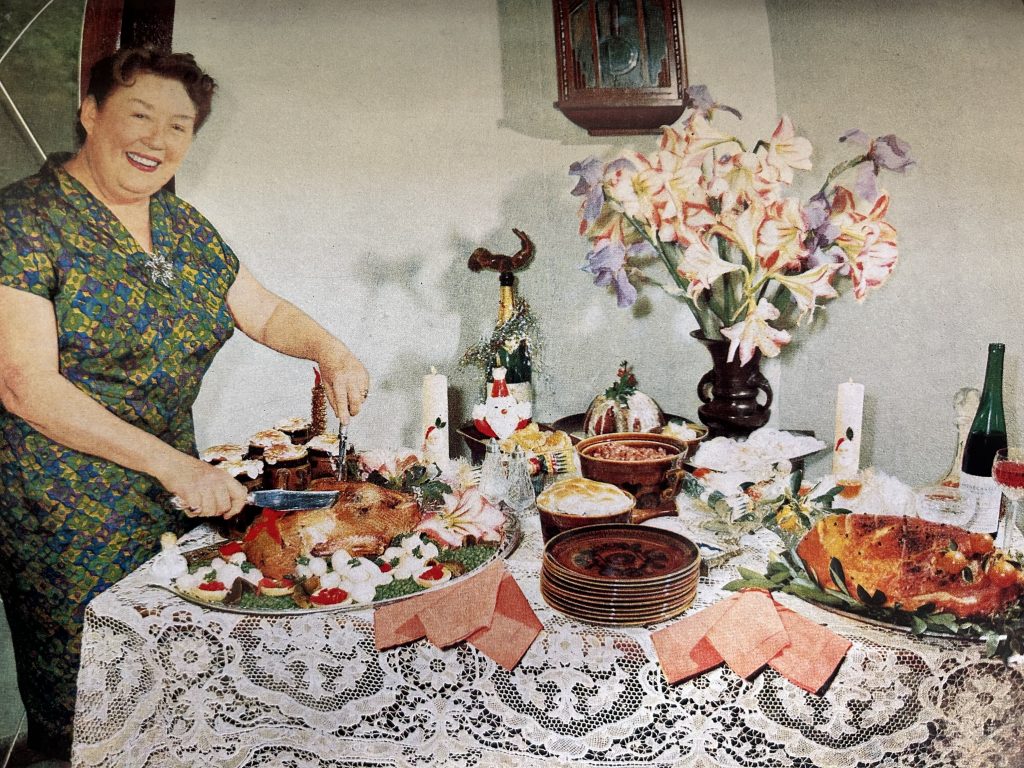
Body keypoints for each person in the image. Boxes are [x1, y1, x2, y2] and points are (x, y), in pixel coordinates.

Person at [0, 47, 369, 762]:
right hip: (61, 508)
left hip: (167, 492)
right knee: (93, 706)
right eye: (139, 115)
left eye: (179, 126)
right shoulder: (24, 220)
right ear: (90, 112)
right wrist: (176, 469)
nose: (157, 140)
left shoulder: (181, 226)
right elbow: (24, 385)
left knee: (175, 688)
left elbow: (260, 312)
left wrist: (331, 350)